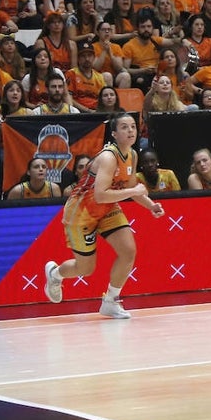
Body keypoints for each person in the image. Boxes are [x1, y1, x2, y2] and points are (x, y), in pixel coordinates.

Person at [44, 113, 165, 319]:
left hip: (107, 208)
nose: (130, 131)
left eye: (133, 127)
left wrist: (150, 205)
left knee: (128, 251)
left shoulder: (132, 156)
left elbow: (129, 187)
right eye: (125, 127)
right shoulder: (108, 157)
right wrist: (133, 192)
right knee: (86, 268)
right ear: (115, 133)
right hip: (81, 213)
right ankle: (55, 274)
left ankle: (110, 301)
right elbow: (100, 195)